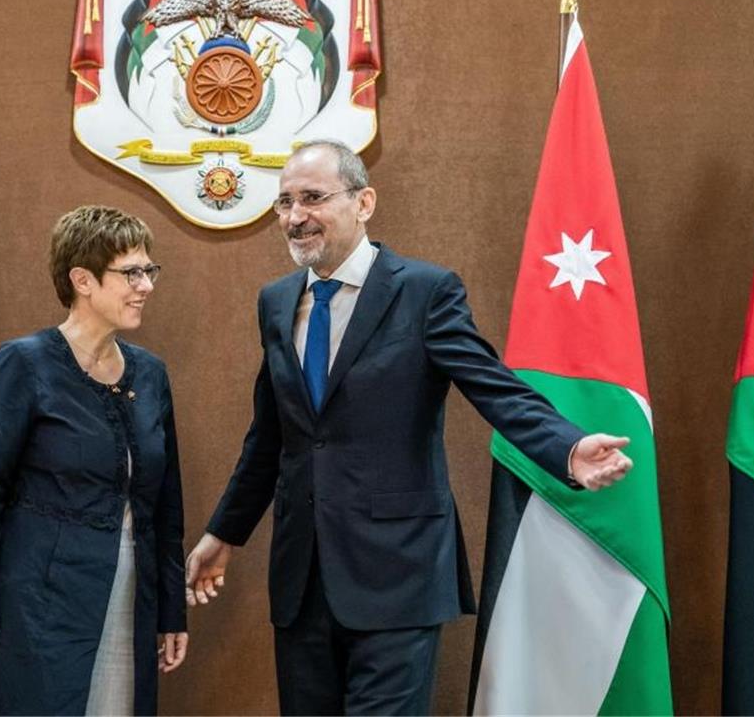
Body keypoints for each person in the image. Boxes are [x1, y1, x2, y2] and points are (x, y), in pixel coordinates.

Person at [185, 140, 632, 715]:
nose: (296, 218)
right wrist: (224, 535)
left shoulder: (424, 291)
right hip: (303, 580)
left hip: (398, 572)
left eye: (313, 198)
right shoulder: (275, 303)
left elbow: (491, 385)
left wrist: (567, 448)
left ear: (364, 201)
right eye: (285, 203)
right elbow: (272, 437)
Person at [0, 206, 188, 715]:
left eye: (149, 271)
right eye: (131, 273)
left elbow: (166, 509)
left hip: (129, 597)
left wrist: (170, 614)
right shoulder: (24, 362)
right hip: (37, 602)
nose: (146, 285)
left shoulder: (150, 374)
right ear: (82, 279)